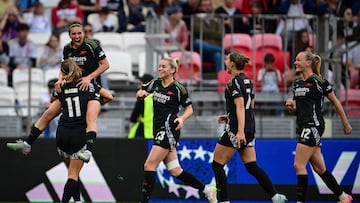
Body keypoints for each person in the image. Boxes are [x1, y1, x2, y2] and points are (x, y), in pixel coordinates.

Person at [6, 21, 110, 162]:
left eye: (79, 33)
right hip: (72, 85)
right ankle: (27, 143)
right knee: (48, 113)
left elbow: (106, 65)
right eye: (74, 34)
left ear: (83, 34)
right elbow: (64, 67)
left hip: (90, 88)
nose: (77, 36)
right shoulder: (67, 49)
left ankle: (88, 152)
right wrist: (60, 79)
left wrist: (89, 78)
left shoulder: (92, 45)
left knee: (90, 119)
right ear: (69, 35)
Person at [136, 57, 217, 203]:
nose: (160, 69)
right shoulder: (155, 83)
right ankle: (207, 190)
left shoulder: (179, 88)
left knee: (149, 165)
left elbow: (190, 109)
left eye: (163, 66)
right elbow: (141, 91)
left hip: (168, 130)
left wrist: (181, 119)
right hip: (158, 130)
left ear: (173, 70)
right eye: (159, 66)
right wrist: (140, 94)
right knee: (175, 170)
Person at [212, 51, 287, 203]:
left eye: (227, 60)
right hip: (250, 128)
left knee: (217, 164)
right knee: (251, 165)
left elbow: (240, 106)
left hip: (237, 129)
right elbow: (249, 106)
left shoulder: (233, 82)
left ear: (232, 63)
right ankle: (275, 197)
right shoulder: (248, 81)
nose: (225, 62)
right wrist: (230, 115)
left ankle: (224, 201)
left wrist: (239, 131)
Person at [285, 51, 353, 203]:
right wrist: (292, 105)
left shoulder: (318, 81)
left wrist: (345, 123)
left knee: (298, 165)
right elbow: (300, 106)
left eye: (298, 60)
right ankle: (343, 197)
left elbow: (336, 102)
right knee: (319, 168)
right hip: (303, 126)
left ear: (308, 63)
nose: (295, 62)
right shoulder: (297, 84)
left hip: (313, 126)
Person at [128, 73, 154, 139]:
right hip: (156, 134)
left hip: (143, 133)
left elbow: (133, 118)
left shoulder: (142, 98)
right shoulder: (160, 97)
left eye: (140, 84)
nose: (138, 87)